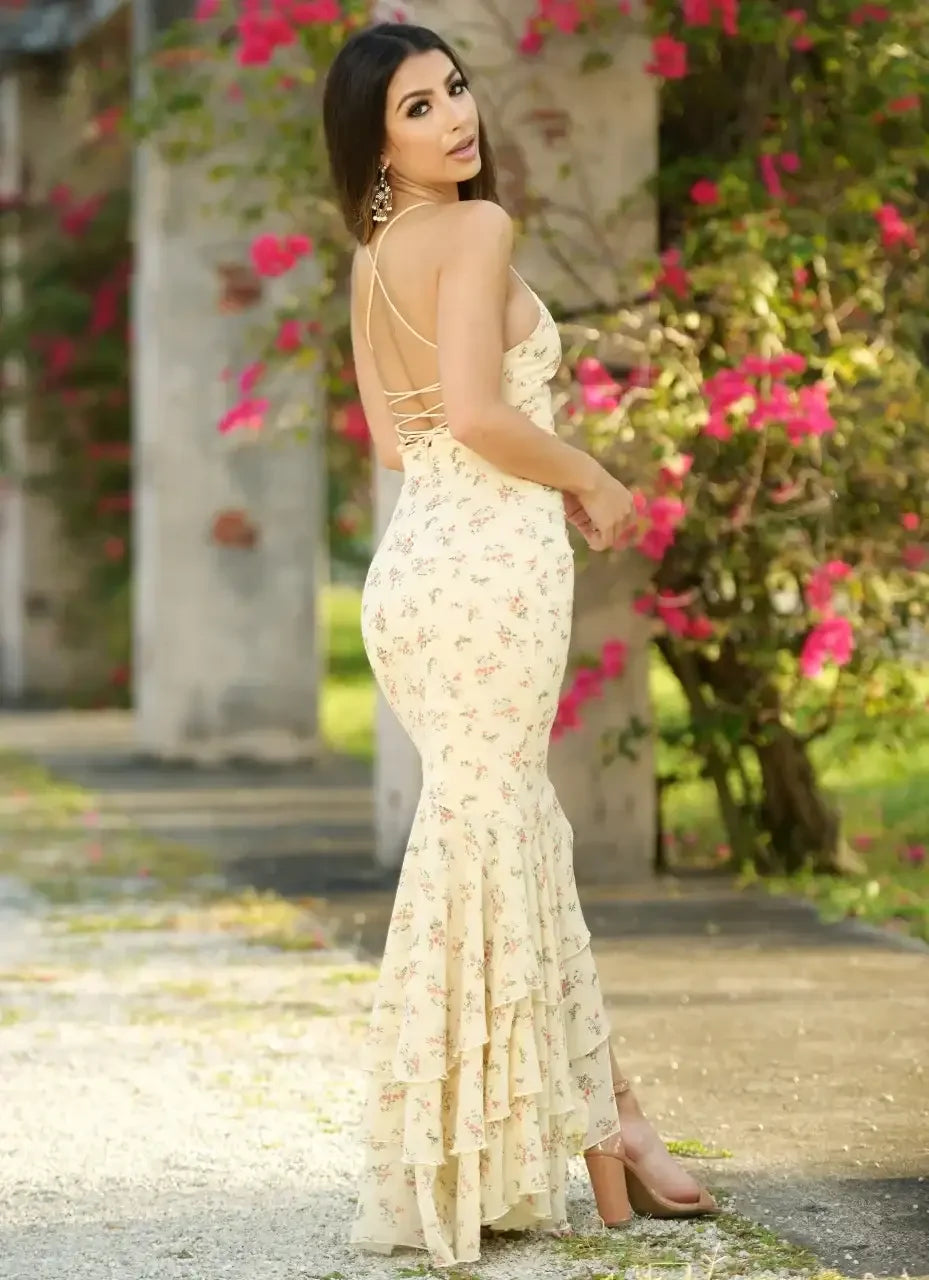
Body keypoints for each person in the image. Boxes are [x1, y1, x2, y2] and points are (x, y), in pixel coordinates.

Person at [322, 20, 719, 1270]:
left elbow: (399, 441)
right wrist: (591, 476)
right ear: (376, 140)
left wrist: (499, 464)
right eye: (416, 108)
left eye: (454, 88)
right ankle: (558, 1144)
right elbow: (487, 414)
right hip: (491, 565)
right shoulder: (481, 230)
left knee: (506, 841)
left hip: (414, 571)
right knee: (496, 842)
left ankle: (613, 1135)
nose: (454, 117)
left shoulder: (371, 255)